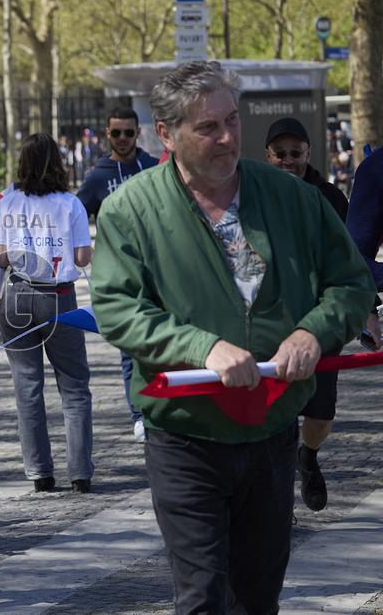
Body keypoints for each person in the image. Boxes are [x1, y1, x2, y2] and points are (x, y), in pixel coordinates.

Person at [90, 61, 374, 614]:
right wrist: (203, 348)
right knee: (200, 598)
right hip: (185, 435)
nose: (227, 138)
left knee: (257, 597)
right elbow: (117, 307)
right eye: (207, 127)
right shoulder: (132, 209)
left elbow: (351, 283)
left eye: (232, 121)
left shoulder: (290, 197)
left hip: (271, 431)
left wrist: (311, 333)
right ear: (166, 135)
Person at [0, 133, 95, 494]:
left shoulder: (7, 202)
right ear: (58, 163)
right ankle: (80, 471)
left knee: (27, 386)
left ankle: (39, 472)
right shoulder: (70, 204)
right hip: (58, 297)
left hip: (17, 295)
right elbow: (81, 258)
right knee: (74, 386)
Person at [265, 117, 351, 512]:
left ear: (308, 153)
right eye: (280, 154)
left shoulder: (331, 198)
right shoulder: (254, 196)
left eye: (294, 153)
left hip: (321, 322)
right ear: (268, 156)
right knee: (276, 414)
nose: (287, 161)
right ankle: (278, 496)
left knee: (320, 415)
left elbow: (352, 262)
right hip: (269, 322)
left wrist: (365, 310)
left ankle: (309, 456)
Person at [77, 106, 159, 443]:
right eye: (116, 133)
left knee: (160, 343)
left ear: (138, 133)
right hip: (120, 278)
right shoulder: (98, 176)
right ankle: (139, 415)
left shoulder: (154, 168)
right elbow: (74, 217)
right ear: (107, 134)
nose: (122, 139)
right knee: (129, 349)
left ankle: (162, 408)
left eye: (128, 132)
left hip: (157, 273)